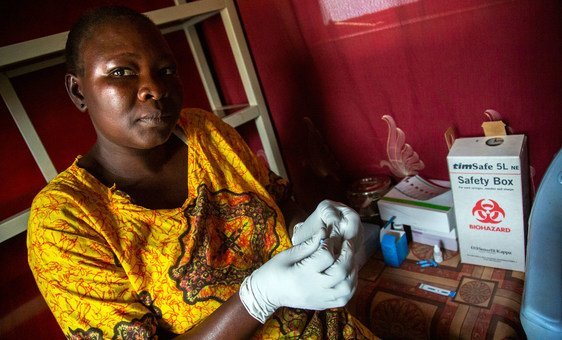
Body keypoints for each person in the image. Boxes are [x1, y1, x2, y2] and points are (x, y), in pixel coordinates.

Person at [27, 6, 375, 339]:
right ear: (78, 91)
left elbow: (278, 200)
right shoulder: (65, 220)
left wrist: (306, 229)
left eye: (165, 70)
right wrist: (257, 298)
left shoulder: (205, 131)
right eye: (122, 72)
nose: (155, 88)